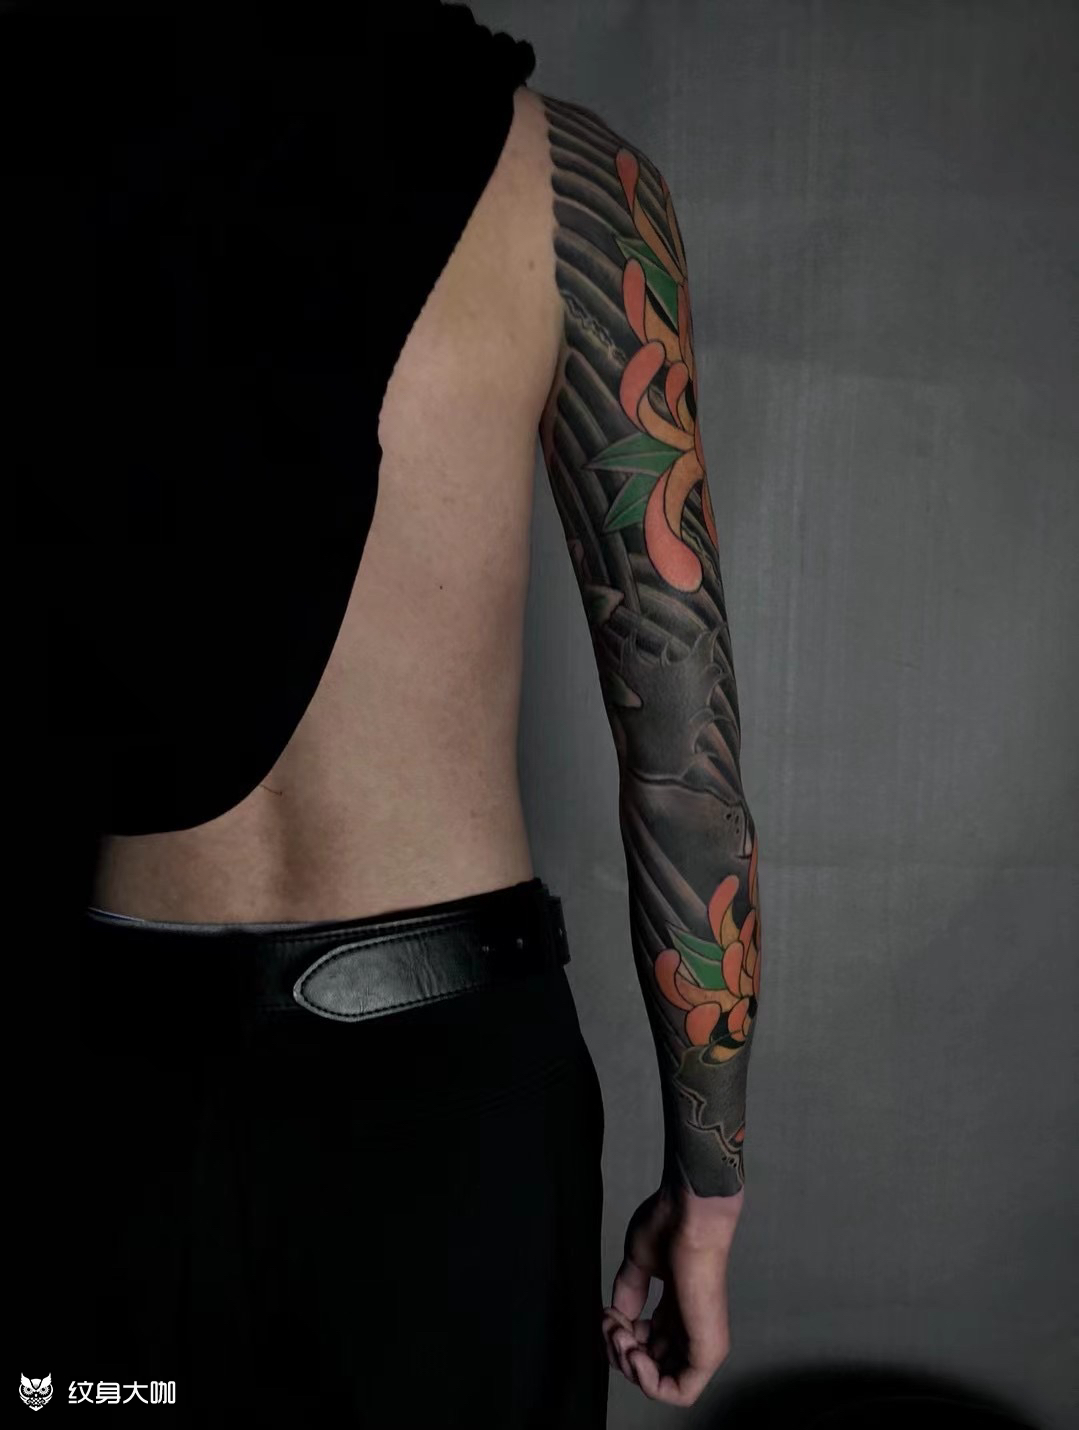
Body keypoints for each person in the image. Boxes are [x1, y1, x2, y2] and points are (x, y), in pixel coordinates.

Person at [9, 2, 761, 1423]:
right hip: (447, 1108)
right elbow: (682, 747)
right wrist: (707, 1184)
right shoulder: (569, 185)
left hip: (96, 1097)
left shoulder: (30, 135)